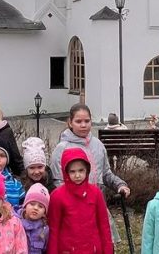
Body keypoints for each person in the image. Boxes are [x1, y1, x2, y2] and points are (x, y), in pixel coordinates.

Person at [49, 104, 129, 244]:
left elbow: (106, 173)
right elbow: (57, 182)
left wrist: (119, 185)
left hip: (97, 205)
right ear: (70, 122)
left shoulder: (98, 145)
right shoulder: (61, 149)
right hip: (73, 211)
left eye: (87, 121)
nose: (83, 125)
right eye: (78, 121)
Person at [46, 147, 114, 254]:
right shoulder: (57, 196)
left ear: (87, 169)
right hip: (68, 249)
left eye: (81, 170)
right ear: (66, 172)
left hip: (93, 249)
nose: (77, 175)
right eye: (72, 171)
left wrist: (108, 250)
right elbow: (53, 229)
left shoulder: (95, 193)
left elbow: (104, 225)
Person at [18, 184, 50, 254]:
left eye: (40, 206)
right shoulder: (14, 223)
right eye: (32, 204)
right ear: (25, 206)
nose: (35, 208)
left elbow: (45, 249)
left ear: (44, 213)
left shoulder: (44, 229)